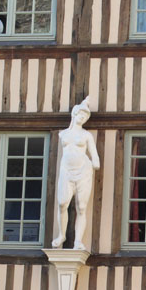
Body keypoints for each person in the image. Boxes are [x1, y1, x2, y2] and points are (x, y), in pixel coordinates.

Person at [51, 97, 100, 250]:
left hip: (83, 171)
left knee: (82, 206)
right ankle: (62, 235)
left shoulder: (86, 135)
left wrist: (95, 163)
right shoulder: (63, 134)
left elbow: (94, 154)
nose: (83, 118)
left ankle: (78, 240)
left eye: (85, 117)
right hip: (66, 170)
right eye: (81, 115)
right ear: (74, 113)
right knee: (62, 203)